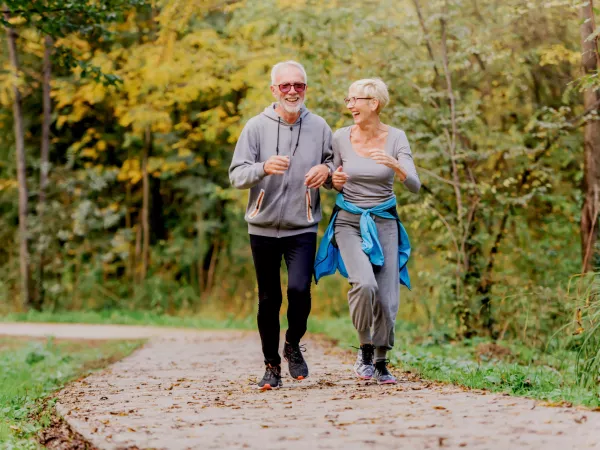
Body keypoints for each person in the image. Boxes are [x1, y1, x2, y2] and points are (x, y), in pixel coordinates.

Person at [229, 61, 334, 390]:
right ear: (274, 89)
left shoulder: (319, 126)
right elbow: (236, 175)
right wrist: (262, 167)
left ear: (305, 89)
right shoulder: (255, 127)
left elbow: (334, 165)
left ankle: (292, 344)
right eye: (285, 86)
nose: (292, 91)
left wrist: (327, 173)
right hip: (262, 227)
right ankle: (271, 366)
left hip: (302, 225)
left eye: (298, 86)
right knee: (268, 299)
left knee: (300, 290)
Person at [314, 78, 420, 385]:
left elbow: (414, 184)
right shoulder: (340, 138)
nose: (349, 106)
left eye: (354, 100)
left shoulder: (396, 138)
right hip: (349, 220)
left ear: (373, 103)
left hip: (385, 221)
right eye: (347, 100)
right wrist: (334, 180)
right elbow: (330, 176)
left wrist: (396, 167)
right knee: (364, 285)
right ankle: (364, 348)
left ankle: (382, 360)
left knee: (387, 299)